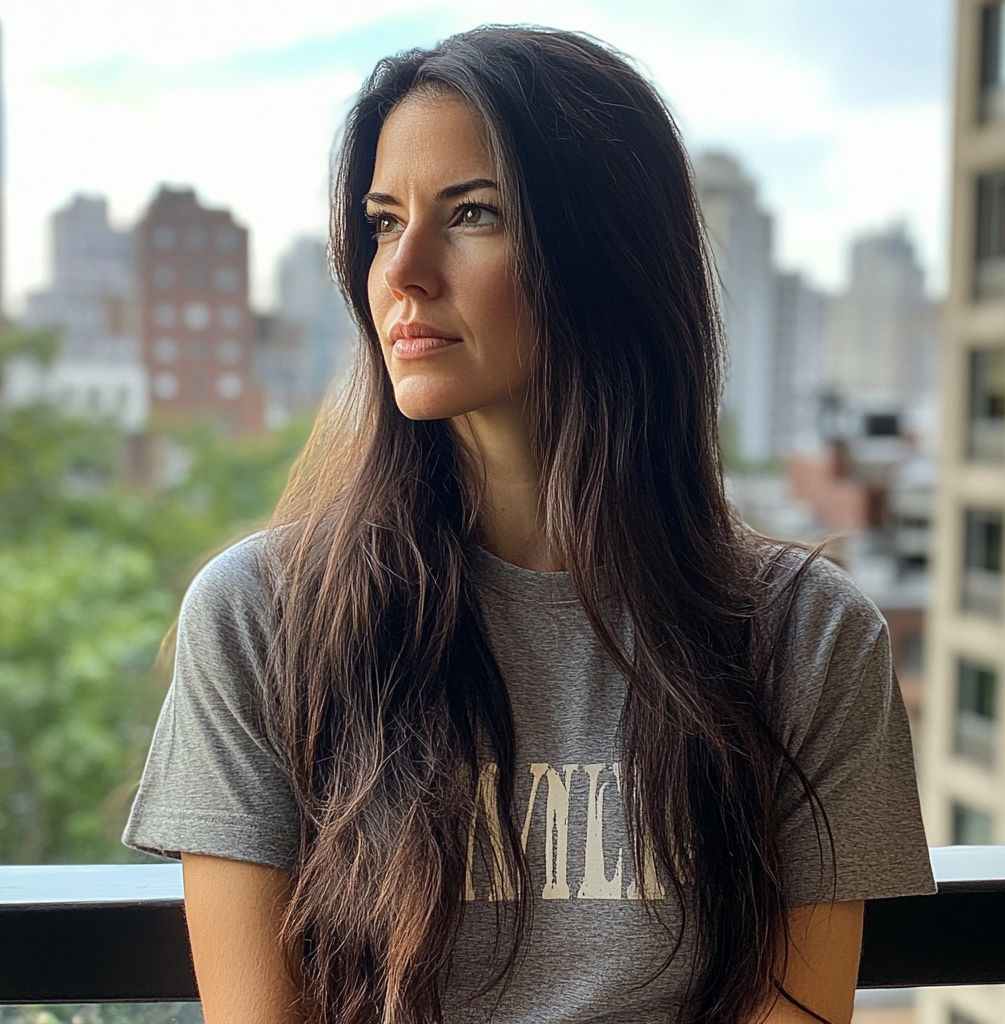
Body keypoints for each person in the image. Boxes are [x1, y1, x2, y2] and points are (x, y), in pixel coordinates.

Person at [124, 25, 935, 1024]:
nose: (403, 271)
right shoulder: (261, 618)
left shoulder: (809, 639)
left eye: (472, 213)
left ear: (604, 255)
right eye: (382, 222)